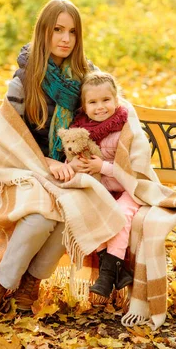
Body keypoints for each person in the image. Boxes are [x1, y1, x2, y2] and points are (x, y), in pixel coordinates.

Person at [0, 0, 97, 315]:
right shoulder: (24, 80)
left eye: (72, 32)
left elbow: (109, 119)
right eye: (58, 29)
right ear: (44, 32)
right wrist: (44, 164)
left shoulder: (85, 79)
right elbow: (8, 136)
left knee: (70, 213)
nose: (66, 39)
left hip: (66, 173)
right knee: (42, 217)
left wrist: (75, 161)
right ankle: (2, 283)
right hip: (24, 170)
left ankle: (30, 282)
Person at [68, 72, 139, 298]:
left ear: (116, 100)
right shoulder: (79, 132)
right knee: (88, 211)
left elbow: (135, 172)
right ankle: (117, 270)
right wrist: (75, 165)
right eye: (93, 102)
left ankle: (106, 275)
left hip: (129, 189)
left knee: (121, 213)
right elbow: (69, 158)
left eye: (106, 100)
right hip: (101, 191)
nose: (100, 107)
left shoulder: (126, 128)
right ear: (84, 106)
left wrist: (103, 167)